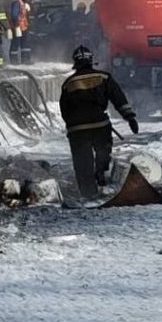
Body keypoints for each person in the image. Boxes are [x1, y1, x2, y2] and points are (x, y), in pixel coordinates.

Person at [60, 45, 139, 204]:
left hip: (77, 129)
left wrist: (72, 126)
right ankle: (101, 172)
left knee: (82, 162)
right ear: (90, 60)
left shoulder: (68, 83)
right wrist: (129, 117)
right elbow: (118, 98)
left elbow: (65, 110)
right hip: (99, 124)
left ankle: (88, 194)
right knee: (103, 151)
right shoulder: (104, 77)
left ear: (75, 62)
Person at [9, 0, 32, 65]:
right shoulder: (16, 2)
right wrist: (17, 26)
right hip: (18, 27)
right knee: (15, 43)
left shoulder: (21, 2)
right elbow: (14, 15)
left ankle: (26, 60)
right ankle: (14, 61)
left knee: (25, 44)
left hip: (23, 27)